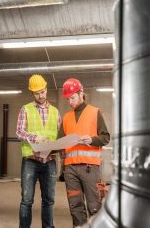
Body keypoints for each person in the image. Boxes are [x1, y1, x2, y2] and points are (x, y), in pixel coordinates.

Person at [58, 78, 110, 227]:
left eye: (72, 97)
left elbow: (106, 137)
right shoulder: (67, 117)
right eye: (68, 99)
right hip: (70, 170)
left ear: (81, 94)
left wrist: (92, 139)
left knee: (94, 206)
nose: (70, 102)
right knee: (75, 208)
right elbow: (60, 140)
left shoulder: (95, 112)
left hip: (90, 169)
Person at [16, 74, 61, 228]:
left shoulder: (55, 112)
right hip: (30, 161)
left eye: (42, 92)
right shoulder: (25, 109)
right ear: (32, 93)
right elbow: (19, 132)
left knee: (49, 200)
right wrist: (35, 137)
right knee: (27, 200)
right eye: (37, 93)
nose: (40, 95)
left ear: (46, 90)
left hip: (49, 161)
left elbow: (60, 135)